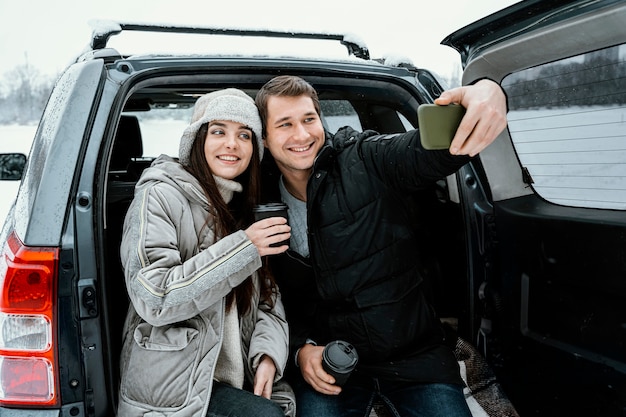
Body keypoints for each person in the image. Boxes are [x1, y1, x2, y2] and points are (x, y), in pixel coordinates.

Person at [255, 75, 508, 417]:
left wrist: (488, 92)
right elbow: (271, 299)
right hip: (334, 364)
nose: (302, 135)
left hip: (416, 359)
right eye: (285, 124)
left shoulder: (365, 158)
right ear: (265, 139)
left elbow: (428, 151)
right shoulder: (258, 201)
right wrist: (301, 350)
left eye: (309, 119)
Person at [117, 88, 294, 417]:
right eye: (218, 131)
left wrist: (268, 356)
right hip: (174, 388)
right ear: (196, 140)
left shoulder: (245, 206)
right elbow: (155, 297)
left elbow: (268, 298)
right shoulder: (159, 196)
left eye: (244, 134)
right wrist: (243, 248)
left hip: (236, 379)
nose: (231, 143)